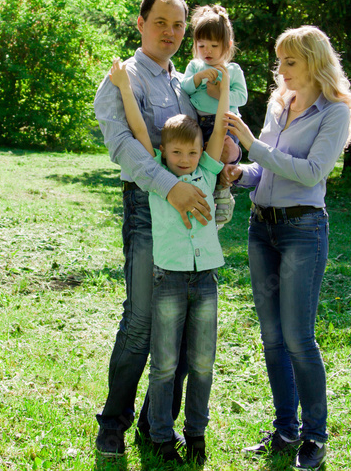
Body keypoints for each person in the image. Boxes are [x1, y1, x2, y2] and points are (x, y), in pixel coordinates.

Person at [224, 26, 351, 470]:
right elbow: (267, 170)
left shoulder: (334, 113)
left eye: (290, 61)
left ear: (315, 63)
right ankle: (285, 430)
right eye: (279, 61)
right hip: (261, 229)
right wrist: (240, 174)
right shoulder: (279, 105)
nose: (281, 70)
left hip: (302, 230)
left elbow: (310, 172)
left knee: (298, 338)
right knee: (272, 338)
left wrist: (251, 145)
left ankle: (315, 437)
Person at [92, 0, 213, 458]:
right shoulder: (122, 79)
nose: (170, 32)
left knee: (179, 329)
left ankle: (154, 424)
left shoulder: (185, 85)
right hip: (147, 210)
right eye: (161, 22)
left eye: (179, 25)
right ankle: (113, 424)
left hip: (187, 219)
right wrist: (170, 187)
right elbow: (123, 146)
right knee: (141, 322)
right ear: (140, 23)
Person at [107, 57, 230, 466]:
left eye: (192, 152)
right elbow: (139, 132)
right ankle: (159, 436)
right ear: (164, 152)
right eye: (176, 151)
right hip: (169, 279)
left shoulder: (207, 171)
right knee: (164, 363)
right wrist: (125, 86)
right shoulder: (159, 179)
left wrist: (224, 90)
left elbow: (219, 131)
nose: (185, 159)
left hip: (206, 280)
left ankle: (196, 434)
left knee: (202, 363)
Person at [179, 5, 248, 229]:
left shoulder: (232, 70)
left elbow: (242, 97)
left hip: (225, 123)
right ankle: (202, 198)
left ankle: (224, 193)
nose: (207, 51)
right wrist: (198, 78)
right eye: (201, 46)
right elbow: (184, 88)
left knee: (223, 156)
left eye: (214, 46)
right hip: (199, 124)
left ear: (227, 46)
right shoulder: (195, 66)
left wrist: (221, 93)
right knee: (202, 162)